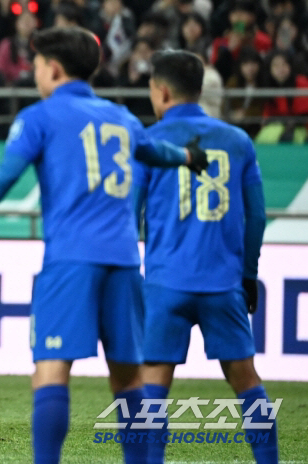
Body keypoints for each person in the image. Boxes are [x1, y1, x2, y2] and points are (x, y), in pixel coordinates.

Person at [0, 27, 208, 464]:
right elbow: (156, 151)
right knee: (129, 380)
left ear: (53, 68)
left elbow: (5, 176)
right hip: (124, 263)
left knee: (50, 370)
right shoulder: (122, 117)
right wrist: (187, 157)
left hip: (71, 261)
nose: (33, 73)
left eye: (36, 65)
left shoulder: (40, 116)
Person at [132, 50, 276, 464]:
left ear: (161, 91)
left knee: (153, 386)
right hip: (222, 283)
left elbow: (130, 214)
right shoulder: (237, 141)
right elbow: (258, 216)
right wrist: (247, 276)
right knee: (247, 381)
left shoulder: (149, 143)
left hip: (165, 283)